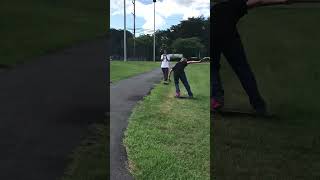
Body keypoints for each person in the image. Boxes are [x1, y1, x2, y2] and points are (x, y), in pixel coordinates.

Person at [211, 0, 290, 115]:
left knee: (213, 69)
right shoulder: (234, 4)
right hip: (230, 38)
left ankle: (217, 99)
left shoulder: (214, 7)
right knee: (243, 69)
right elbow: (259, 2)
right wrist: (282, 1)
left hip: (212, 37)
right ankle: (258, 105)